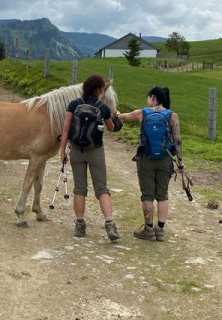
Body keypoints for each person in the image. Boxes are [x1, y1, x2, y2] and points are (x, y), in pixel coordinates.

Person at [117, 87, 184, 242]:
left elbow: (124, 117)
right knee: (162, 195)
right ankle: (160, 230)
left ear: (153, 97)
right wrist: (180, 161)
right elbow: (177, 140)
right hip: (165, 159)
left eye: (148, 97)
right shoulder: (172, 115)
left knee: (147, 195)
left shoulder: (143, 113)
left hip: (146, 159)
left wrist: (117, 113)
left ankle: (148, 229)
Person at [59, 74, 120, 240]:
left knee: (79, 189)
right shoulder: (103, 107)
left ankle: (80, 225)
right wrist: (117, 120)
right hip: (96, 152)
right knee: (101, 189)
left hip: (77, 151)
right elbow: (111, 128)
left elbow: (65, 129)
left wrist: (62, 151)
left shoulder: (73, 105)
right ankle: (109, 223)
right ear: (99, 89)